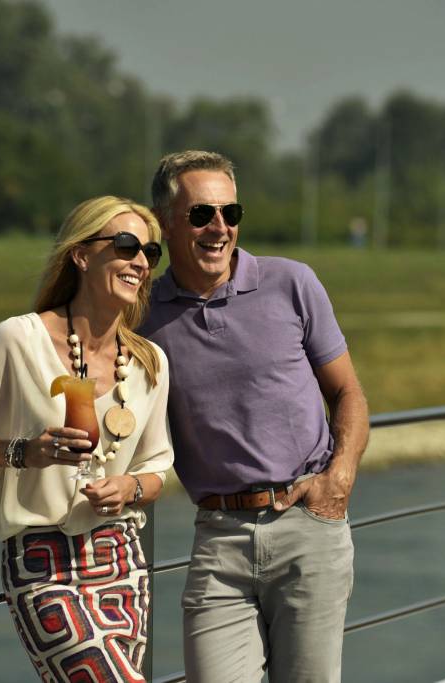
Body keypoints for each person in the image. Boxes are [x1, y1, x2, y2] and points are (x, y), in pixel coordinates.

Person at [140, 151, 370, 682]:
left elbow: (348, 393)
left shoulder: (292, 282)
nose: (219, 227)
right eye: (202, 214)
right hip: (218, 538)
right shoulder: (143, 313)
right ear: (165, 224)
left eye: (231, 212)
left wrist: (339, 479)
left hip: (308, 526)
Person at [0, 196, 173, 682]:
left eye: (150, 252)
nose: (141, 262)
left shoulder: (150, 362)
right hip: (42, 564)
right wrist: (22, 452)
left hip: (120, 557)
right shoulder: (19, 339)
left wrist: (129, 487)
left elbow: (157, 468)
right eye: (126, 245)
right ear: (81, 255)